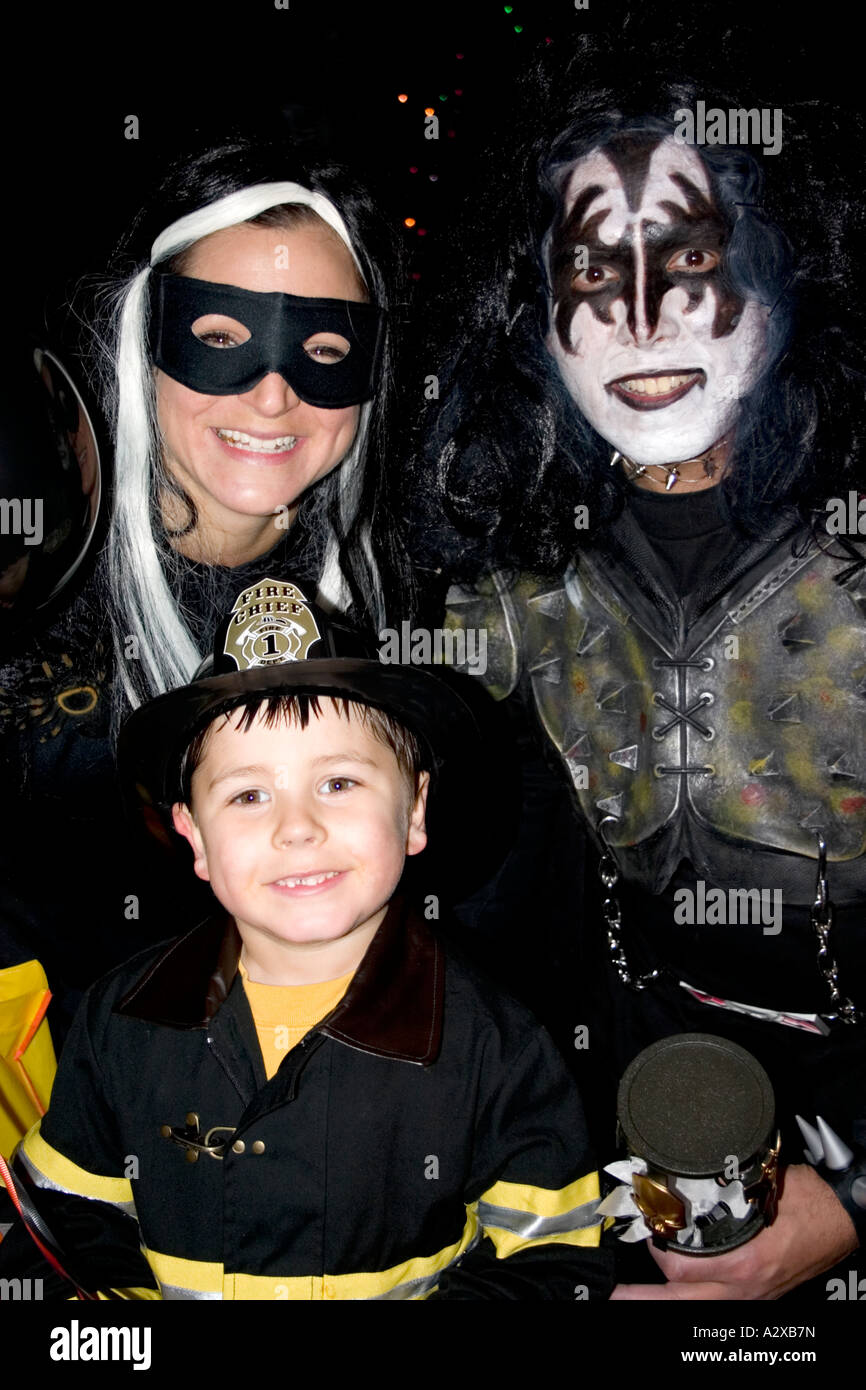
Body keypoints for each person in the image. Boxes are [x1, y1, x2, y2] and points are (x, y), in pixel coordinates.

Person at [411, 49, 866, 1300]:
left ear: (785, 276)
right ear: (535, 320)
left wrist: (855, 1198)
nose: (642, 318)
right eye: (589, 274)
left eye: (691, 260)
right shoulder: (491, 605)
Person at [0, 578, 613, 1301]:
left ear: (414, 810)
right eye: (248, 795)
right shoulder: (119, 1023)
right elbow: (68, 1231)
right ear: (194, 836)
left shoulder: (497, 1047)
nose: (297, 828)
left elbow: (552, 1265)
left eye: (340, 783)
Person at [0, 137, 410, 1036]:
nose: (271, 397)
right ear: (143, 344)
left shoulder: (402, 592)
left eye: (325, 348)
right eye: (220, 339)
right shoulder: (33, 574)